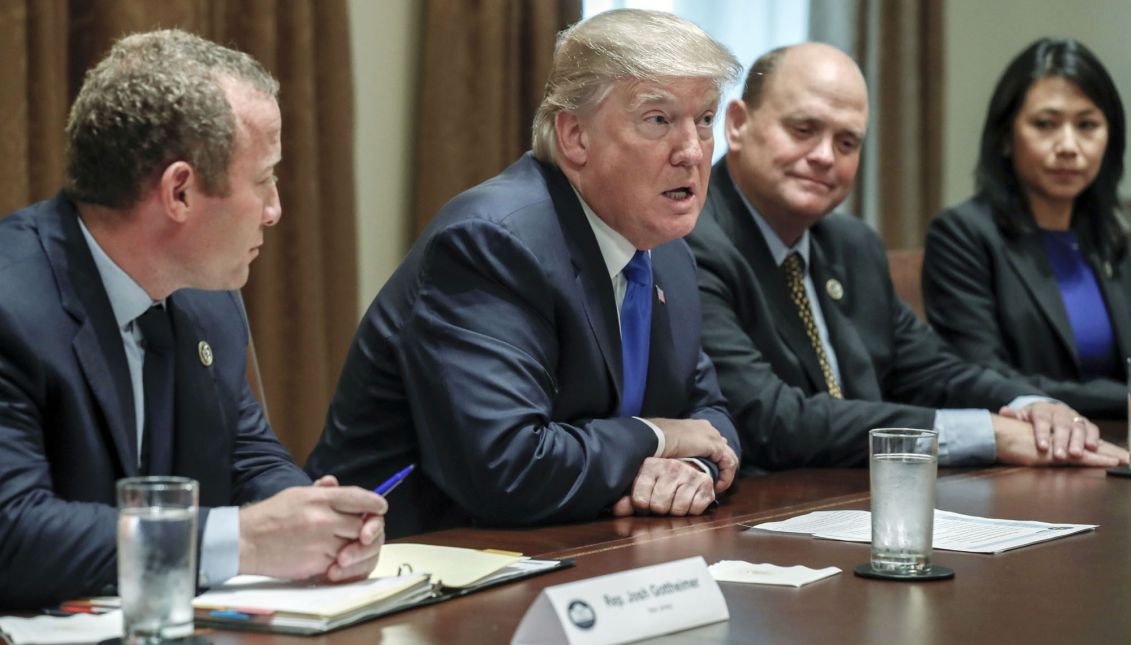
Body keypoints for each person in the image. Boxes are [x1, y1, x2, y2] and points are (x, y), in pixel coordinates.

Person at [306, 9, 742, 538]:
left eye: (704, 119)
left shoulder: (666, 251)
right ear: (575, 136)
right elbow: (507, 467)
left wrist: (691, 468)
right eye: (658, 120)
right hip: (406, 564)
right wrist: (655, 439)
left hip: (574, 553)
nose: (693, 152)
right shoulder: (494, 243)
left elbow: (709, 414)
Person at [0, 30, 386, 610]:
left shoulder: (207, 299)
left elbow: (247, 453)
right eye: (263, 181)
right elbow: (14, 534)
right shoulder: (11, 301)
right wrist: (249, 540)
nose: (276, 210)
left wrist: (318, 522)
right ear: (179, 192)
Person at [684, 42, 1128, 470]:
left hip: (864, 499)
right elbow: (770, 420)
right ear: (738, 124)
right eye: (803, 130)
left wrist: (1031, 406)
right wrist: (991, 435)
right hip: (753, 516)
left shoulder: (852, 244)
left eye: (847, 143)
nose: (823, 156)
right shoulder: (693, 242)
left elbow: (934, 371)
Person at [923, 38, 1131, 420]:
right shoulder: (962, 235)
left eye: (1087, 125)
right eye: (1045, 124)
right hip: (1025, 454)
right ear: (1005, 136)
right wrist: (1123, 400)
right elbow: (984, 374)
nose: (1068, 146)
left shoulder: (1116, 237)